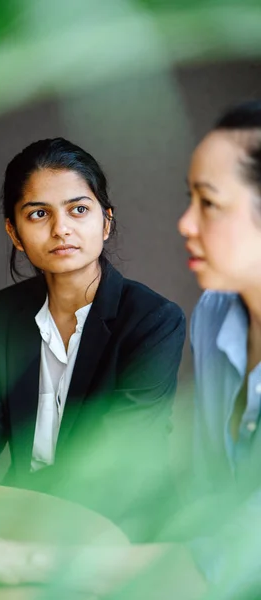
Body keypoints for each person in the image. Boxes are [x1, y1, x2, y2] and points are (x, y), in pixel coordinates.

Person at [0, 137, 185, 540]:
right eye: (38, 214)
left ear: (106, 222)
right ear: (14, 233)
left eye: (79, 210)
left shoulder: (153, 320)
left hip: (118, 532)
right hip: (18, 521)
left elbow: (116, 461)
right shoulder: (5, 313)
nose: (61, 229)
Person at [176, 100, 261, 592]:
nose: (185, 223)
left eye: (208, 203)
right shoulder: (212, 314)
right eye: (189, 199)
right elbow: (208, 509)